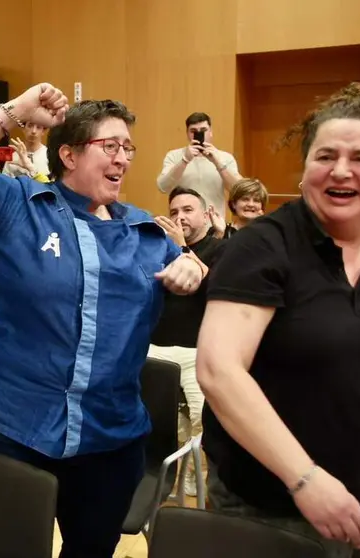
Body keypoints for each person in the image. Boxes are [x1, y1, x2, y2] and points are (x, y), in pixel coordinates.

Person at [0, 84, 204, 557]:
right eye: (109, 146)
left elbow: (207, 285)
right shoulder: (21, 206)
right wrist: (13, 111)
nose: (123, 158)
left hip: (108, 439)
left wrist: (194, 266)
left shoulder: (147, 235)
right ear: (69, 155)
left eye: (127, 147)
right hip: (13, 426)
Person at [196, 82, 360, 557]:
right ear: (305, 169)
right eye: (325, 155)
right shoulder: (262, 246)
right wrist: (304, 479)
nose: (340, 170)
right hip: (275, 508)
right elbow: (219, 371)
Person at [149, 186, 226, 497]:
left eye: (187, 210)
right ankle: (157, 476)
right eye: (174, 212)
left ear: (206, 214)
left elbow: (214, 293)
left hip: (197, 351)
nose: (179, 217)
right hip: (156, 347)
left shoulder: (220, 250)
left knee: (202, 422)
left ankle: (193, 478)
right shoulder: (159, 248)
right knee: (157, 421)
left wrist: (182, 248)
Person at [157, 112, 241, 213]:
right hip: (183, 222)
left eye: (203, 130)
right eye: (193, 131)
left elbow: (238, 190)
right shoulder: (174, 156)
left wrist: (218, 163)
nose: (199, 134)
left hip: (214, 223)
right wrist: (185, 160)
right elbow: (163, 187)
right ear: (187, 134)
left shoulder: (225, 158)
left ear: (211, 132)